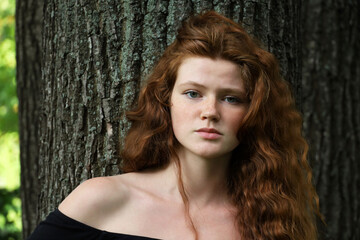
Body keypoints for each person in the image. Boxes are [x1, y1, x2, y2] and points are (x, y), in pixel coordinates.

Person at [27, 11, 320, 240]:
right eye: (193, 93)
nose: (210, 112)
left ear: (254, 112)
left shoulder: (272, 221)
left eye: (231, 98)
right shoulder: (102, 200)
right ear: (167, 101)